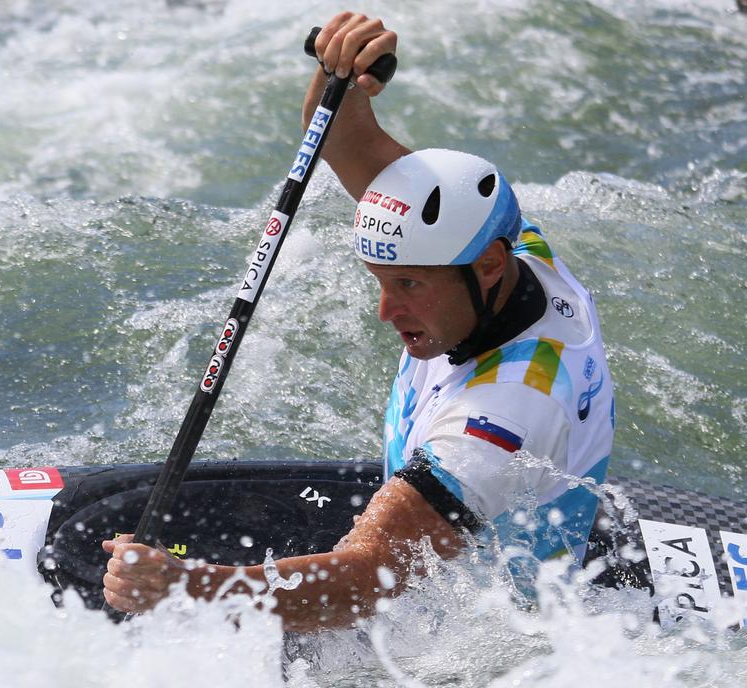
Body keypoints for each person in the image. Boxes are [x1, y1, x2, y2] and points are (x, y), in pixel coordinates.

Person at [102, 12, 615, 632]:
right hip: (451, 549)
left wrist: (185, 587)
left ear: (486, 266)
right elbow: (343, 141)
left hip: (474, 641)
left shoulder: (504, 417)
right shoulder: (514, 250)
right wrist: (337, 75)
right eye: (380, 280)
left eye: (407, 285)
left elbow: (367, 581)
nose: (386, 311)